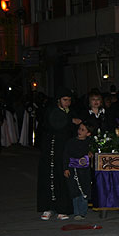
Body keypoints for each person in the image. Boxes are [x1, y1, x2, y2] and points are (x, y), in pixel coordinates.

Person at [36, 87, 76, 220]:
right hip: (50, 149)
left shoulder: (70, 112)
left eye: (69, 100)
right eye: (65, 100)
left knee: (63, 175)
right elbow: (53, 125)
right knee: (49, 175)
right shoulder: (51, 111)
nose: (67, 103)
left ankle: (62, 208)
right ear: (59, 100)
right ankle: (48, 208)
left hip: (63, 149)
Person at [63, 121, 94, 220]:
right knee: (74, 191)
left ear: (88, 133)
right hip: (73, 170)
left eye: (83, 130)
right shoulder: (71, 142)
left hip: (84, 171)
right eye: (79, 129)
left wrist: (91, 154)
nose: (79, 131)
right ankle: (76, 212)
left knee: (84, 191)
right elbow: (66, 155)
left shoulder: (90, 143)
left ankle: (83, 212)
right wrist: (66, 168)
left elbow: (92, 156)